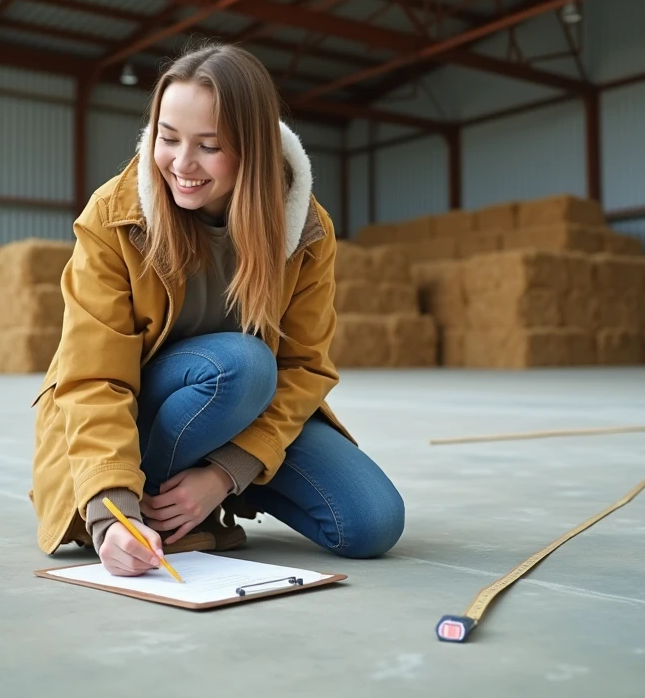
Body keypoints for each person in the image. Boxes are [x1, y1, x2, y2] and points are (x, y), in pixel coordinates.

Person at [29, 43, 405, 577]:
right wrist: (111, 512)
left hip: (242, 417)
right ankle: (147, 514)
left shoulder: (305, 227)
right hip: (142, 412)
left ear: (252, 148)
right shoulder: (114, 216)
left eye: (208, 146)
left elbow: (306, 368)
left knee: (373, 521)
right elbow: (93, 376)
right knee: (243, 364)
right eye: (167, 137)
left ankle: (186, 506)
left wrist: (225, 475)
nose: (181, 164)